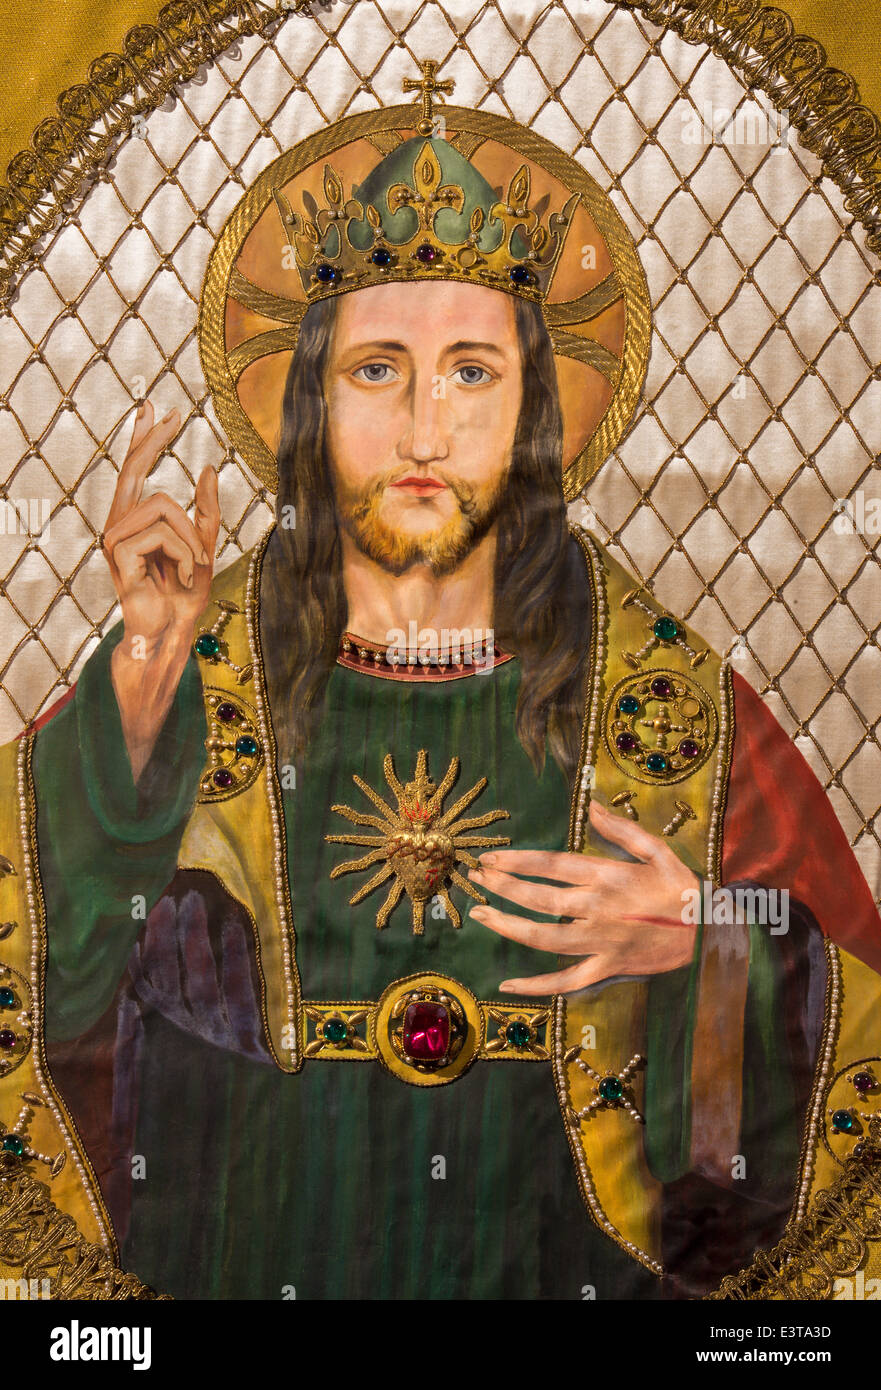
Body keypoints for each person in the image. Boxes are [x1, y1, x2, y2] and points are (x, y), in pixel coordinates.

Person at [1, 135, 879, 1301]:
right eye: (376, 370)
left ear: (533, 411)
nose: (424, 430)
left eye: (471, 371)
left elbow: (851, 1010)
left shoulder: (661, 707)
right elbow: (45, 967)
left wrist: (708, 938)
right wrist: (146, 671)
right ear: (310, 398)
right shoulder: (185, 669)